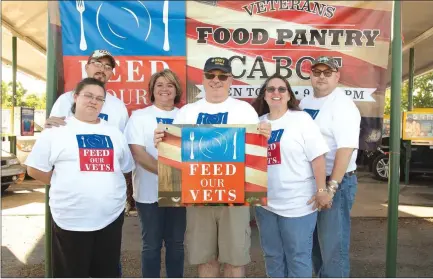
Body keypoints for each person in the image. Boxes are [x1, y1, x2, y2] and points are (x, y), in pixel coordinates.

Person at [154, 57, 271, 278]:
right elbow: (175, 152)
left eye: (222, 76)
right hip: (198, 195)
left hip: (235, 196)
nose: (216, 80)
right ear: (203, 78)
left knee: (235, 260)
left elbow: (255, 153)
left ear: (230, 79)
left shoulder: (245, 110)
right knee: (205, 260)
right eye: (211, 75)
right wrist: (162, 142)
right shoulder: (187, 111)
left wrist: (263, 136)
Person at [25, 78, 134, 277]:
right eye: (88, 96)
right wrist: (63, 183)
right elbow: (33, 168)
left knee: (106, 273)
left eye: (99, 98)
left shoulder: (114, 133)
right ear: (75, 97)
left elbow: (126, 167)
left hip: (110, 218)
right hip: (70, 219)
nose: (94, 101)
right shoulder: (56, 131)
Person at [250, 73, 330, 277]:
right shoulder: (256, 124)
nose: (276, 93)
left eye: (281, 89)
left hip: (298, 204)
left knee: (298, 256)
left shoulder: (300, 119)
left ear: (288, 95)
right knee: (272, 256)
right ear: (264, 96)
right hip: (266, 204)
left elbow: (318, 157)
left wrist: (322, 190)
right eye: (271, 89)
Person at [299, 56, 361, 277]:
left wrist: (330, 188)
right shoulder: (306, 102)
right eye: (317, 72)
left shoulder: (343, 105)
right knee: (314, 246)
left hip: (335, 184)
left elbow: (345, 150)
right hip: (313, 182)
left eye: (327, 72)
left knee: (333, 249)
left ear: (337, 76)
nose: (321, 76)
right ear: (311, 75)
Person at [124, 69, 186, 278]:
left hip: (180, 192)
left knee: (176, 245)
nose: (164, 89)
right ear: (152, 90)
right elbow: (139, 155)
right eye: (159, 84)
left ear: (176, 89)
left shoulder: (186, 115)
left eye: (170, 84)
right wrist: (171, 172)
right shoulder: (139, 117)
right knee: (151, 245)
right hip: (149, 194)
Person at [46, 49, 129, 132]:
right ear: (86, 67)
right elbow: (53, 132)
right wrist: (49, 127)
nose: (102, 70)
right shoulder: (65, 99)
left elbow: (121, 140)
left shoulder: (118, 106)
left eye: (108, 67)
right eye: (97, 64)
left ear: (111, 74)